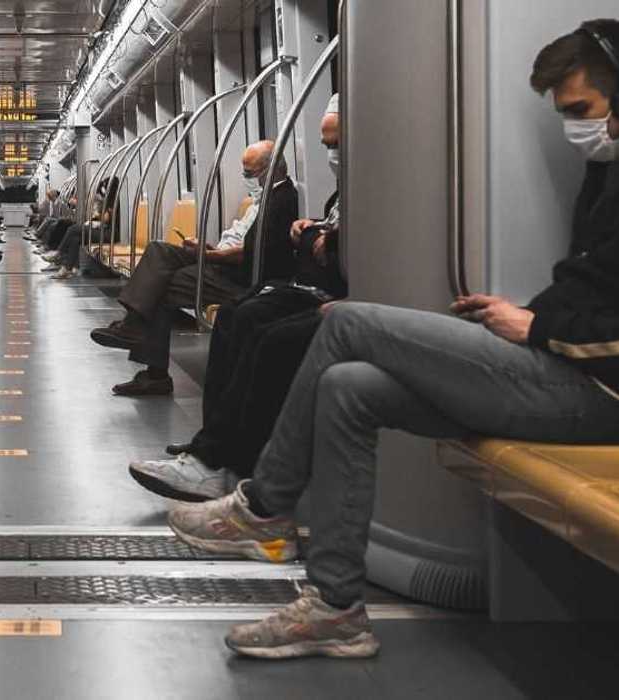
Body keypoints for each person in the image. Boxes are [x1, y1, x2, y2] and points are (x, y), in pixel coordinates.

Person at [167, 19, 619, 660]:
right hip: (563, 369)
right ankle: (335, 608)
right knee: (350, 387)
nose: (578, 128)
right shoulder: (606, 176)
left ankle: (262, 507)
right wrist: (525, 315)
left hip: (599, 393)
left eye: (583, 110)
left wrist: (542, 328)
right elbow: (589, 286)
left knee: (346, 322)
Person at [130, 96, 345, 501]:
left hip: (285, 283)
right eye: (325, 145)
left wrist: (208, 253)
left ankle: (225, 457)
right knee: (231, 315)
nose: (330, 155)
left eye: (335, 145)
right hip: (294, 282)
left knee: (258, 330)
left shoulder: (287, 198)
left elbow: (282, 251)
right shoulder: (333, 194)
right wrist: (316, 230)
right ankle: (211, 449)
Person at [89, 141, 300, 395]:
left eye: (249, 173)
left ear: (270, 169)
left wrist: (212, 255)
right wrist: (208, 248)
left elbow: (253, 254)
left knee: (161, 284)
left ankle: (151, 365)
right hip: (224, 261)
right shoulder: (263, 196)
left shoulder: (282, 200)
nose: (245, 178)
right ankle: (134, 325)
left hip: (241, 278)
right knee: (159, 251)